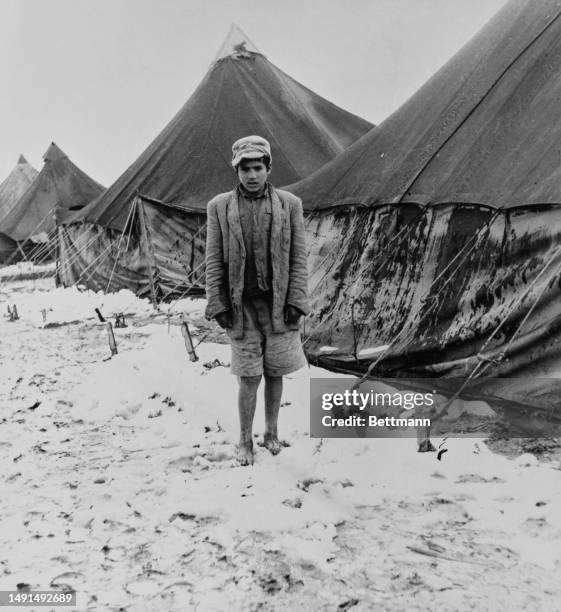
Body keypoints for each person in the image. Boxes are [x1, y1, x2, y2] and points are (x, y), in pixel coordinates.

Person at [205, 135, 309, 466]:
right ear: (236, 171)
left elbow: (298, 258)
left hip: (278, 305)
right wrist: (217, 302)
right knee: (249, 375)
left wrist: (296, 299)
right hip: (241, 307)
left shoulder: (289, 204)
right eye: (245, 169)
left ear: (268, 168)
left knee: (276, 371)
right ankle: (244, 440)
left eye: (257, 168)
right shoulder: (219, 207)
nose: (252, 175)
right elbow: (212, 258)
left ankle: (272, 433)